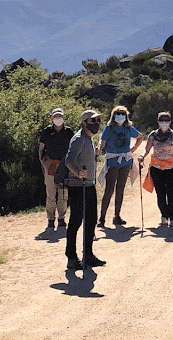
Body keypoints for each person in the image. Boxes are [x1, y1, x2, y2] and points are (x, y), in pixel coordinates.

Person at [64, 109, 106, 270]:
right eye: (92, 121)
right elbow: (69, 159)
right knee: (75, 222)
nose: (96, 124)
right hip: (78, 186)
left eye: (97, 121)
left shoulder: (87, 138)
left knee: (90, 220)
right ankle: (71, 257)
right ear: (84, 122)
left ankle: (87, 255)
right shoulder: (79, 138)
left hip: (88, 185)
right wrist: (78, 172)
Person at [96, 106, 144, 227]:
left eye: (123, 114)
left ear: (126, 116)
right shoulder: (109, 128)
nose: (120, 116)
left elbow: (140, 137)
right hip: (112, 161)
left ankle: (116, 216)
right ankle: (102, 218)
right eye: (118, 114)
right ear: (113, 115)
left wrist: (133, 149)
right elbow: (102, 141)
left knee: (120, 189)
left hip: (125, 161)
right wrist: (98, 150)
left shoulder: (128, 128)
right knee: (109, 189)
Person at [138, 111, 173, 228]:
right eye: (162, 120)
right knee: (160, 193)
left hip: (172, 168)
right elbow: (147, 149)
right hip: (156, 168)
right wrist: (142, 156)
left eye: (166, 120)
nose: (164, 123)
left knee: (171, 192)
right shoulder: (153, 135)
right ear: (158, 122)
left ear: (170, 122)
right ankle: (164, 215)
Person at [39, 108, 74, 229]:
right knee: (50, 194)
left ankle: (61, 218)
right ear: (52, 118)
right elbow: (41, 149)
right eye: (55, 116)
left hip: (64, 166)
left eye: (60, 116)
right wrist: (44, 165)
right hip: (50, 165)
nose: (58, 118)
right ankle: (50, 219)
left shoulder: (69, 132)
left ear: (63, 117)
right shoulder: (47, 131)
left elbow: (73, 149)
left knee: (63, 194)